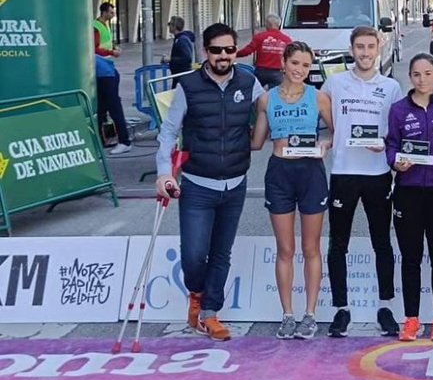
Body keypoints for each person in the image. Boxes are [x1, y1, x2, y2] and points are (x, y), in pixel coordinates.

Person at [155, 23, 264, 342]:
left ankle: (210, 314)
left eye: (229, 49)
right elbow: (168, 133)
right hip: (197, 185)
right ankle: (196, 292)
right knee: (193, 253)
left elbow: (273, 108)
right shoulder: (188, 86)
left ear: (235, 50)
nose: (223, 56)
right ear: (206, 52)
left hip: (235, 182)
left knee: (221, 253)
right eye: (216, 50)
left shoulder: (248, 80)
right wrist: (164, 173)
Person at [322, 25, 404, 338]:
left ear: (379, 47)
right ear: (351, 48)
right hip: (344, 172)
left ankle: (386, 307)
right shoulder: (336, 82)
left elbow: (395, 132)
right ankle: (341, 310)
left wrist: (385, 143)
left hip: (377, 175)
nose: (365, 53)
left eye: (370, 47)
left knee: (381, 242)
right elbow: (320, 106)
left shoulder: (391, 87)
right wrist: (334, 134)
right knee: (337, 243)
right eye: (360, 47)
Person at [251, 41, 333, 340]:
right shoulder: (266, 99)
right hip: (279, 173)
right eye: (295, 63)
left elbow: (336, 131)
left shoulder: (319, 97)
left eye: (306, 65)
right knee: (285, 249)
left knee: (311, 248)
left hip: (310, 173)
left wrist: (325, 144)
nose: (300, 70)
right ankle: (287, 314)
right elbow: (256, 142)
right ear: (283, 63)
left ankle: (310, 314)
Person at [385, 53, 433, 342]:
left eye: (428, 73)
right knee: (411, 258)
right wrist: (396, 162)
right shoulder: (398, 110)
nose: (422, 79)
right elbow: (391, 144)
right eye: (416, 74)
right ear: (410, 77)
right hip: (408, 192)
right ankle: (412, 319)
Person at [237, 14, 292, 89]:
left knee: (254, 92)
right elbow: (291, 55)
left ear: (269, 24)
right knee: (276, 95)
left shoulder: (260, 37)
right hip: (277, 72)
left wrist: (235, 54)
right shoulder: (287, 39)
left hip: (261, 71)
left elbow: (248, 51)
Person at [95, 54, 132, 155]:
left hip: (106, 76)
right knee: (100, 110)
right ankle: (99, 142)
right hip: (105, 73)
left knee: (113, 108)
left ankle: (124, 141)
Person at [162, 16, 195, 86]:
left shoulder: (182, 40)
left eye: (169, 24)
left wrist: (170, 59)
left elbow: (187, 58)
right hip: (179, 76)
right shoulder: (179, 39)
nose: (169, 27)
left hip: (181, 76)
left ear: (174, 26)